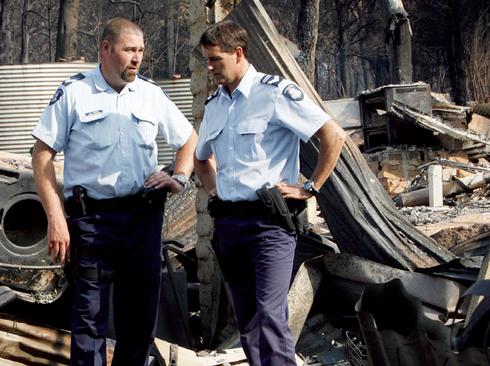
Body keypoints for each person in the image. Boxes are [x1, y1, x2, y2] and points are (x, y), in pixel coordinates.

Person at [31, 18, 197, 366]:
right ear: (106, 49)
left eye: (140, 51)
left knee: (138, 321)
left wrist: (179, 177)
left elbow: (189, 140)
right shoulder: (74, 93)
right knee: (89, 320)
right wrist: (56, 219)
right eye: (128, 50)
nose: (136, 58)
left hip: (143, 219)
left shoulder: (151, 95)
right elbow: (41, 154)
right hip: (92, 221)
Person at [194, 20, 346, 366]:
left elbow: (332, 135)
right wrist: (215, 190)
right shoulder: (216, 104)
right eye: (206, 59)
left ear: (238, 53)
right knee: (247, 320)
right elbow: (201, 158)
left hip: (269, 225)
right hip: (230, 226)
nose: (210, 67)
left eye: (215, 59)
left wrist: (311, 188)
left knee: (270, 315)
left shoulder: (275, 93)